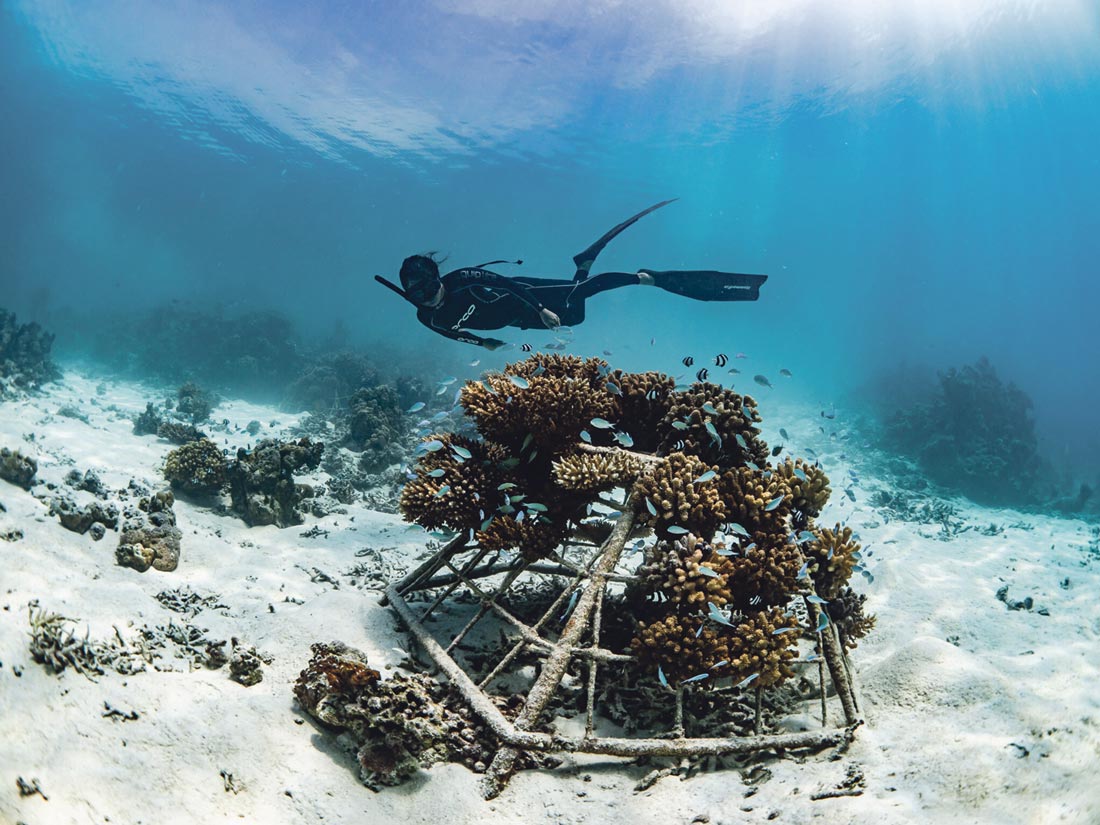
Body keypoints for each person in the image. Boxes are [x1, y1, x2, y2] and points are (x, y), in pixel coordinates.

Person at [375, 199, 767, 349]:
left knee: (587, 291)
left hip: (527, 296)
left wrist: (541, 308)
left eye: (427, 284)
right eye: (416, 292)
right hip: (519, 322)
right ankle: (583, 261)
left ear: (438, 277)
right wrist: (486, 345)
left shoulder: (465, 279)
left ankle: (649, 277)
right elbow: (455, 333)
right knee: (577, 315)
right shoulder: (424, 316)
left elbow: (508, 282)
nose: (425, 295)